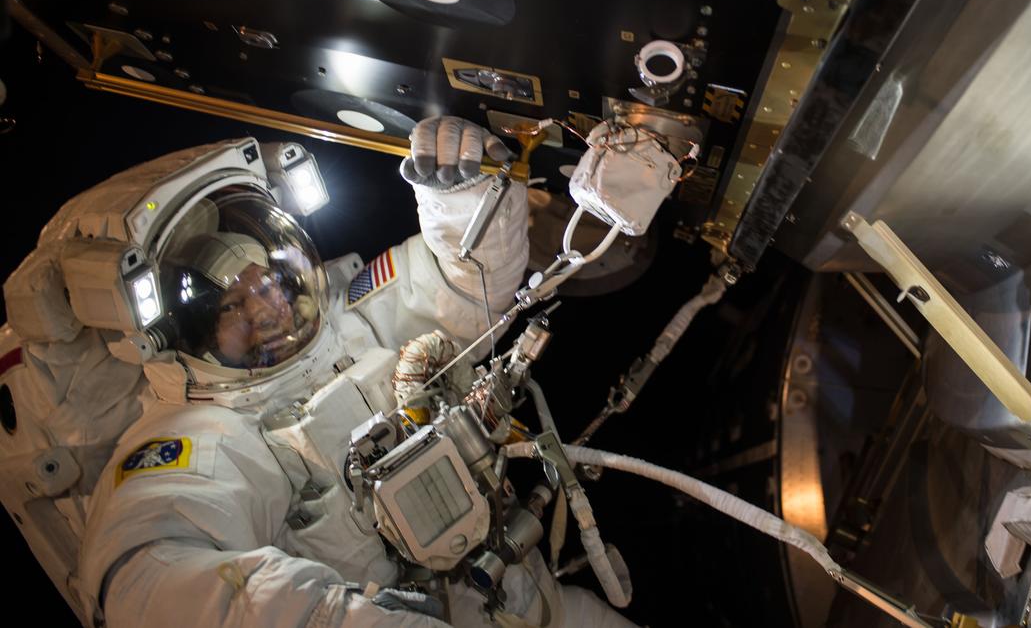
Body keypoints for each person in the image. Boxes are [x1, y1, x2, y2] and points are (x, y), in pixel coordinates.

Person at [0, 117, 636, 627]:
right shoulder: (203, 435)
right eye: (231, 306)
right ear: (184, 335)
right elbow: (146, 577)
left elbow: (466, 287)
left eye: (272, 280)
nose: (268, 308)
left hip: (535, 599)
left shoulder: (347, 317)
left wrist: (461, 189)